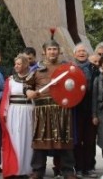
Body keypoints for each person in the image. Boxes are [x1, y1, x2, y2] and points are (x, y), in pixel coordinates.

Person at [24, 38, 77, 179]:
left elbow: (76, 85)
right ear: (44, 52)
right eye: (50, 49)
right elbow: (27, 86)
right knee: (40, 140)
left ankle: (68, 171)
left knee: (64, 140)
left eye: (55, 49)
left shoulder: (67, 67)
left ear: (59, 51)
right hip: (42, 110)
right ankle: (38, 170)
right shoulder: (36, 69)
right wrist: (29, 92)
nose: (52, 52)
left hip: (62, 109)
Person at [0, 54, 35, 178]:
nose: (16, 66)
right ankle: (14, 169)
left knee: (27, 140)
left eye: (19, 64)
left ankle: (26, 170)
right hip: (13, 112)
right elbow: (6, 98)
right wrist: (4, 114)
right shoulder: (10, 80)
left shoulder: (33, 79)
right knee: (14, 140)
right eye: (16, 64)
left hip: (28, 111)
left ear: (26, 65)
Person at [72, 43, 98, 177]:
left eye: (84, 51)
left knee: (89, 140)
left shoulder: (94, 68)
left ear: (87, 54)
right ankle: (79, 167)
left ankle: (88, 167)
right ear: (74, 54)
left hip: (90, 107)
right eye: (79, 51)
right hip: (75, 109)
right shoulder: (70, 68)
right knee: (77, 139)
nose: (81, 53)